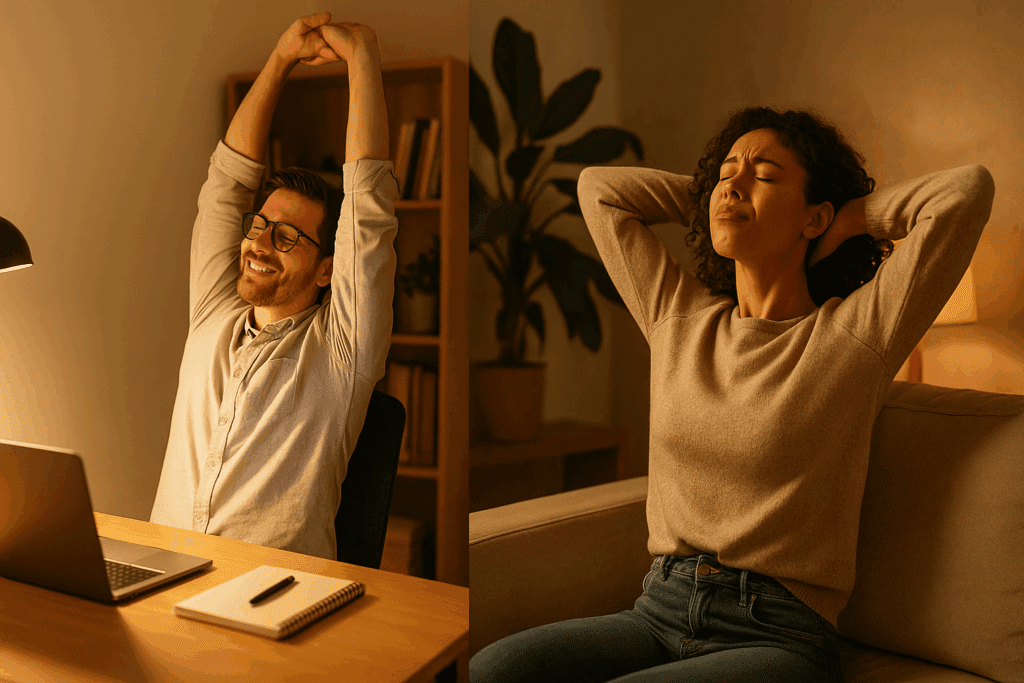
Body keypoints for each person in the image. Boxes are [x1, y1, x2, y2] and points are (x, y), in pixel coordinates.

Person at [469, 107, 995, 682]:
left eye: (765, 177)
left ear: (813, 216)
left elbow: (965, 192)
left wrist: (849, 217)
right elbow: (599, 189)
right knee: (495, 669)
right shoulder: (679, 316)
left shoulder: (853, 336)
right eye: (725, 172)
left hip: (778, 633)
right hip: (659, 609)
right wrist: (709, 197)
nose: (734, 185)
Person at [149, 13, 398, 561]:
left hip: (270, 596)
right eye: (259, 225)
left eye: (286, 238)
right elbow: (226, 184)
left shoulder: (342, 351)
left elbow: (368, 212)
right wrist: (281, 56)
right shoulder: (214, 310)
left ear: (328, 269)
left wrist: (363, 58)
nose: (259, 244)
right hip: (162, 573)